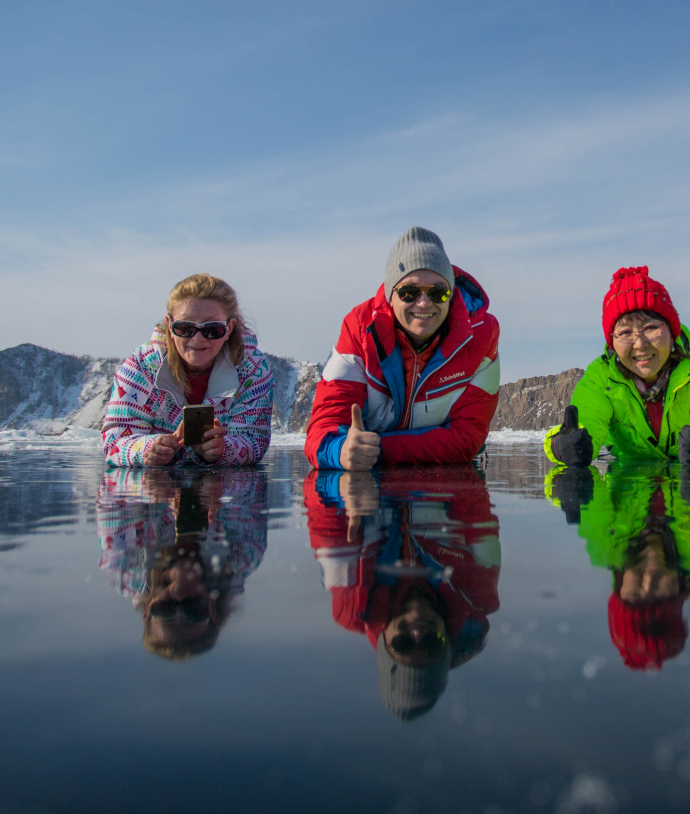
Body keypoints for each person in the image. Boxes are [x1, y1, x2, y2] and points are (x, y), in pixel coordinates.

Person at [303, 464, 501, 720]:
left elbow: (322, 512)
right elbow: (473, 500)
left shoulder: (351, 597)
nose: (417, 632)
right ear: (446, 642)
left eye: (404, 643)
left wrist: (338, 453)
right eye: (431, 643)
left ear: (385, 643)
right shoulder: (477, 588)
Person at [305, 227, 500, 469]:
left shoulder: (481, 335)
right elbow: (323, 429)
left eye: (438, 292)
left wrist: (376, 450)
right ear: (390, 296)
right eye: (409, 292)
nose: (424, 302)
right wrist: (341, 450)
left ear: (451, 296)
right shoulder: (359, 329)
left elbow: (467, 438)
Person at [545, 459, 690, 671]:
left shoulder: (605, 545)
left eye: (635, 594)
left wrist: (565, 461)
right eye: (661, 595)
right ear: (679, 591)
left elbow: (587, 500)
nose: (650, 579)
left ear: (620, 586)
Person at [543, 266, 690, 467]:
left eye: (651, 328)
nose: (640, 344)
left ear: (672, 332)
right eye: (625, 333)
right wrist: (563, 446)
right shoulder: (600, 375)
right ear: (612, 342)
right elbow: (586, 423)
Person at [96, 464, 269, 660]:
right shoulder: (243, 556)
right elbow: (251, 490)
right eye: (193, 609)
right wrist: (220, 482)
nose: (178, 592)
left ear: (148, 610)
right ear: (213, 611)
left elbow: (110, 490)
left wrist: (147, 468)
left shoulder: (123, 564)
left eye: (164, 608)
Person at [102, 273, 275, 467]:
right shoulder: (141, 366)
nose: (198, 339)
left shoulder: (253, 369)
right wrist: (148, 449)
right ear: (169, 325)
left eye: (212, 329)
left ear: (229, 328)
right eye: (185, 328)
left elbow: (254, 439)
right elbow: (115, 441)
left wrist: (223, 449)